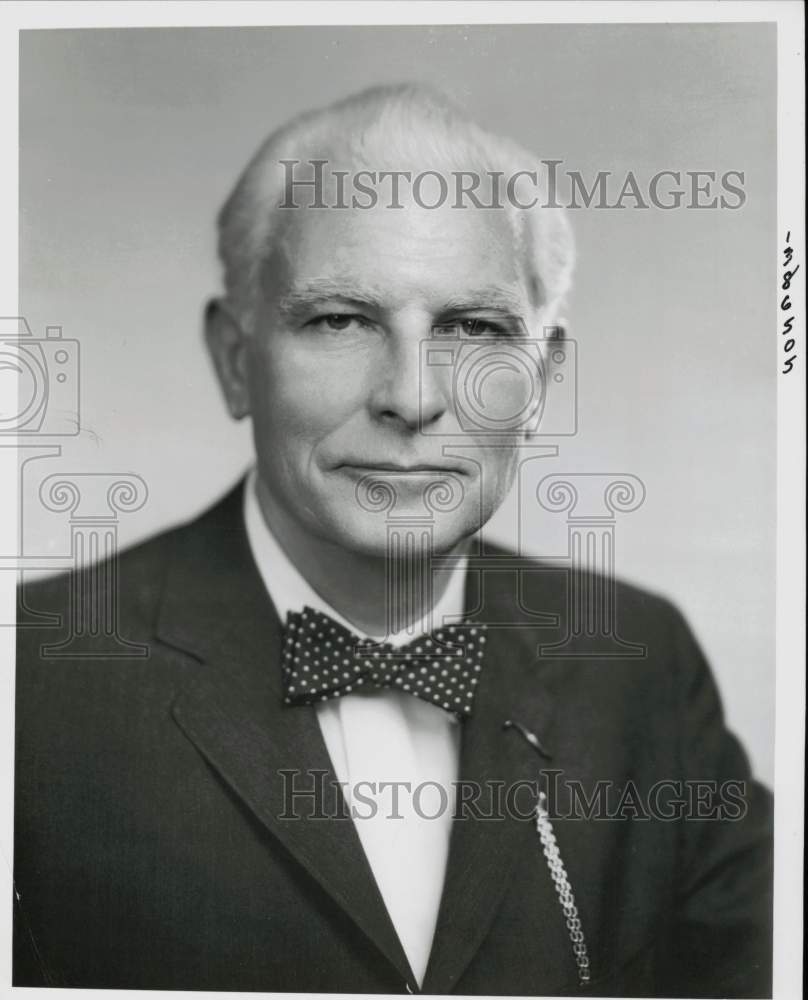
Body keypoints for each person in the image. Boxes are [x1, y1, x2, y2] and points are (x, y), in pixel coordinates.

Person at [13, 84, 772, 996]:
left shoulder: (643, 665)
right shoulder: (33, 687)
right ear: (233, 361)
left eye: (474, 328)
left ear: (541, 381)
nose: (412, 398)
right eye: (340, 320)